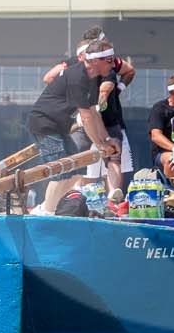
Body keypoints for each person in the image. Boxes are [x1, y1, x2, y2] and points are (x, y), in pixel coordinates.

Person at [25, 28, 121, 215]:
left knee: (75, 170)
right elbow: (85, 117)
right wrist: (100, 145)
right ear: (94, 61)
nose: (113, 64)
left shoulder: (94, 78)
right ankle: (46, 212)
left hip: (58, 126)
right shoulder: (78, 77)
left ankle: (48, 209)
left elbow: (94, 113)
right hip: (43, 124)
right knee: (60, 171)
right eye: (108, 60)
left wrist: (106, 140)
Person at [42, 32, 137, 195]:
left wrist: (116, 90)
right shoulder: (73, 67)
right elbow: (49, 78)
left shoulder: (108, 64)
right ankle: (67, 199)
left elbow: (109, 86)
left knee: (111, 155)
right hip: (84, 121)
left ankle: (112, 194)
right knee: (75, 160)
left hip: (106, 119)